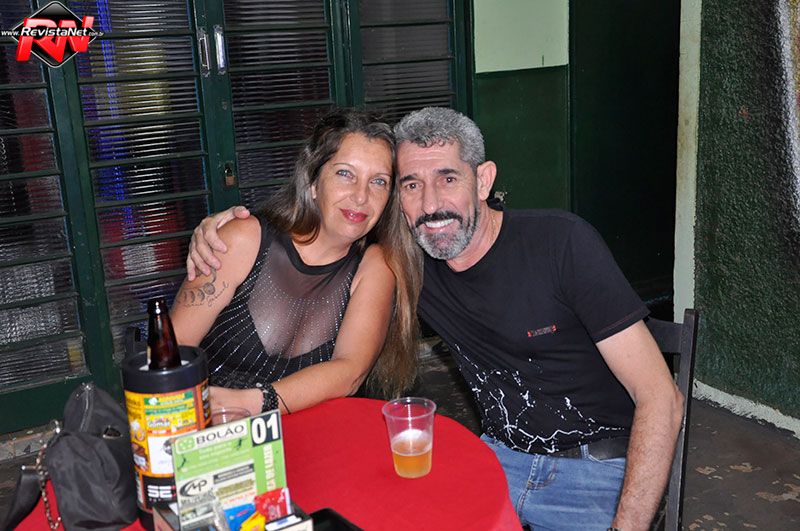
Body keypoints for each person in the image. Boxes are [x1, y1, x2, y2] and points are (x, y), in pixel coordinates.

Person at [186, 107, 684, 530]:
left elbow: (661, 397)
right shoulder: (410, 266)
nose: (431, 204)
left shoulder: (561, 244)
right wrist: (218, 226)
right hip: (497, 459)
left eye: (448, 178)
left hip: (595, 471)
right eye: (410, 184)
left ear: (482, 181)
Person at [171, 109, 421, 417]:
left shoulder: (376, 266)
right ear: (313, 183)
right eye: (345, 174)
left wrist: (253, 403)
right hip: (206, 429)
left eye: (378, 181)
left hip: (308, 436)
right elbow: (171, 351)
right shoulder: (242, 239)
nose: (361, 196)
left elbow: (350, 371)